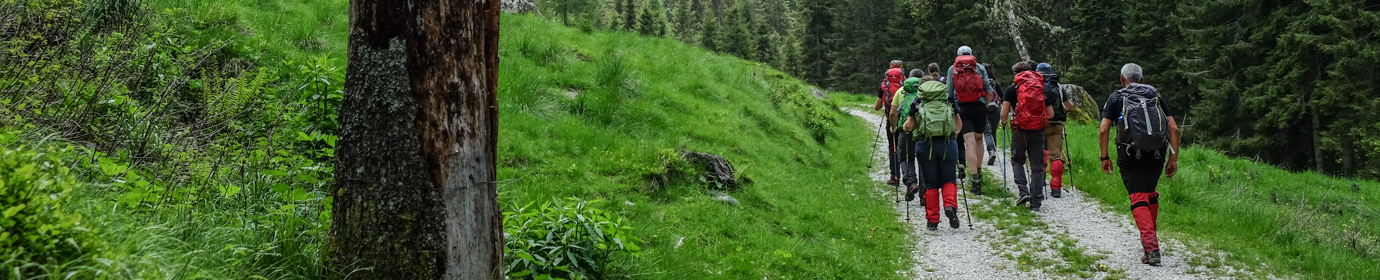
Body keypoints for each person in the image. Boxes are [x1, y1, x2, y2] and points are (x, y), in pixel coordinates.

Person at [1098, 63, 1181, 266]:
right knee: (1150, 192)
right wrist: (1173, 159)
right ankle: (1149, 241)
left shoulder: (1117, 97)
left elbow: (1103, 130)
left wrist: (1104, 156)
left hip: (1129, 153)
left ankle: (1151, 247)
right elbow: (1174, 128)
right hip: (1156, 153)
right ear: (1141, 79)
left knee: (1138, 196)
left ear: (1121, 79)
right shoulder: (1155, 96)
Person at [902, 75, 963, 230]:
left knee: (930, 183)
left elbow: (909, 125)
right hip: (947, 143)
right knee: (949, 178)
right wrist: (951, 137)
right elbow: (959, 124)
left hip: (924, 145)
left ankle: (933, 221)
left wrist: (905, 128)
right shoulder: (948, 99)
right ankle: (950, 206)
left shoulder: (918, 100)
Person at [999, 60, 1055, 211]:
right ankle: (1036, 201)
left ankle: (1023, 192)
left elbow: (1004, 112)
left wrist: (1003, 123)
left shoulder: (1012, 89)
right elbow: (1051, 113)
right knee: (1037, 166)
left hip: (1020, 130)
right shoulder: (1040, 88)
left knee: (1017, 161)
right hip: (1038, 131)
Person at [945, 46, 996, 194]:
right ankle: (979, 171)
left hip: (962, 108)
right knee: (979, 139)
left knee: (969, 143)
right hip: (979, 106)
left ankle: (975, 181)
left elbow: (949, 91)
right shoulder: (979, 67)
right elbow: (989, 91)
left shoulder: (952, 69)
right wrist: (985, 105)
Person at [1036, 63, 1076, 198]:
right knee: (1055, 155)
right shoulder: (1058, 86)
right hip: (1057, 124)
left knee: (1039, 152)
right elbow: (1069, 106)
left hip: (1039, 124)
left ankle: (1039, 182)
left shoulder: (1035, 85)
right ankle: (1056, 188)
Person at [875, 60, 907, 186]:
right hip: (905, 119)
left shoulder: (884, 85)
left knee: (892, 147)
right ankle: (909, 177)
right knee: (904, 148)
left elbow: (877, 107)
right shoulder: (906, 83)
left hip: (890, 118)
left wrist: (885, 104)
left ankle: (894, 177)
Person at [982, 63, 1003, 170]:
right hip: (996, 109)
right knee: (993, 131)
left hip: (984, 109)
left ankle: (991, 151)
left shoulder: (981, 83)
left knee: (987, 132)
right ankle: (993, 150)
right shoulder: (995, 83)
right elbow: (1003, 97)